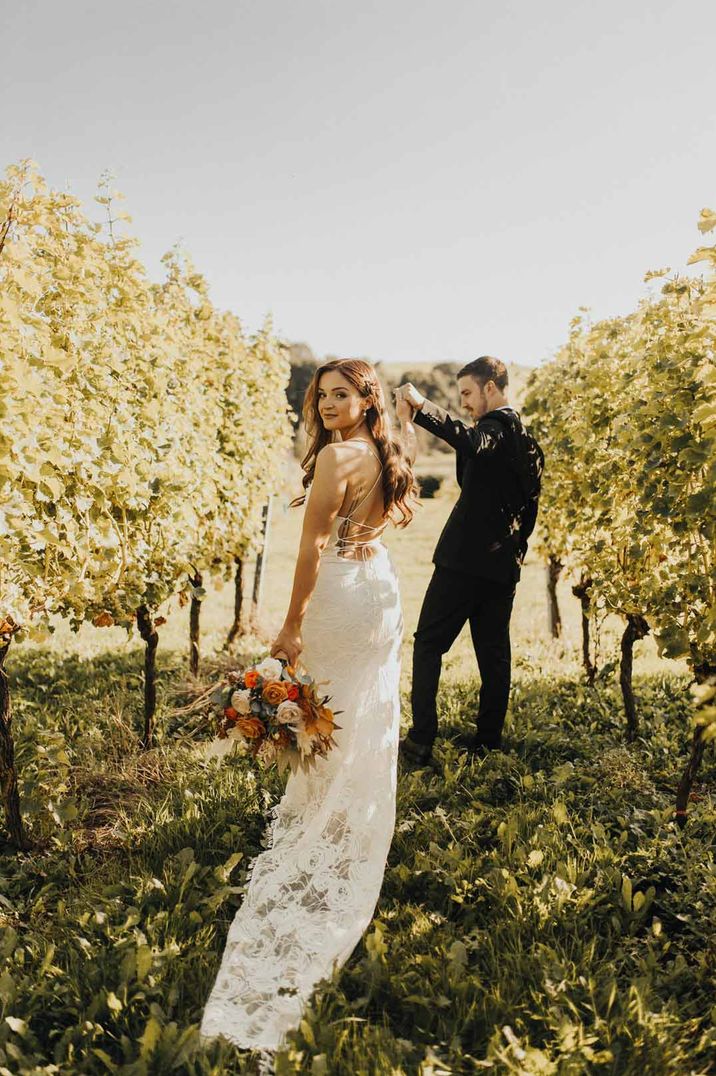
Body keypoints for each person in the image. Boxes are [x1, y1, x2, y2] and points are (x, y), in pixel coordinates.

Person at [200, 359, 418, 1053]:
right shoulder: (386, 450)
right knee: (360, 714)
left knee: (327, 715)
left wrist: (291, 625)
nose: (328, 404)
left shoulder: (335, 458)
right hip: (380, 587)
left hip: (343, 596)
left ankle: (325, 822)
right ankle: (348, 816)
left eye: (341, 394)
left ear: (365, 399)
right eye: (320, 395)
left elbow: (312, 549)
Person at [396, 356, 543, 765]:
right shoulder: (531, 444)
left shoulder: (496, 430)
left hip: (463, 564)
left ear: (491, 388)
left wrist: (423, 407)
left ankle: (421, 739)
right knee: (493, 654)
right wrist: (512, 549)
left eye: (466, 393)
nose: (463, 403)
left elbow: (473, 441)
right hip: (503, 568)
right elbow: (527, 512)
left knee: (427, 645)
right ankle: (488, 741)